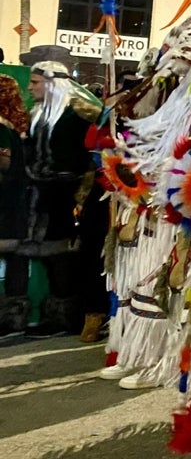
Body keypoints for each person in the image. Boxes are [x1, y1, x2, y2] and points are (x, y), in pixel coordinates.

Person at [22, 61, 103, 337]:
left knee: (65, 256)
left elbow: (96, 156)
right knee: (47, 255)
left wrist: (83, 194)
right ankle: (54, 313)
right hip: (42, 193)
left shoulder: (82, 113)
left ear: (51, 82)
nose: (29, 87)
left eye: (35, 82)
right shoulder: (38, 114)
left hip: (69, 194)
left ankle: (66, 317)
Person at [0, 75, 30, 334]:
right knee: (16, 260)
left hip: (3, 199)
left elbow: (5, 163)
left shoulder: (2, 128)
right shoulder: (20, 125)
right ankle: (15, 317)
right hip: (17, 200)